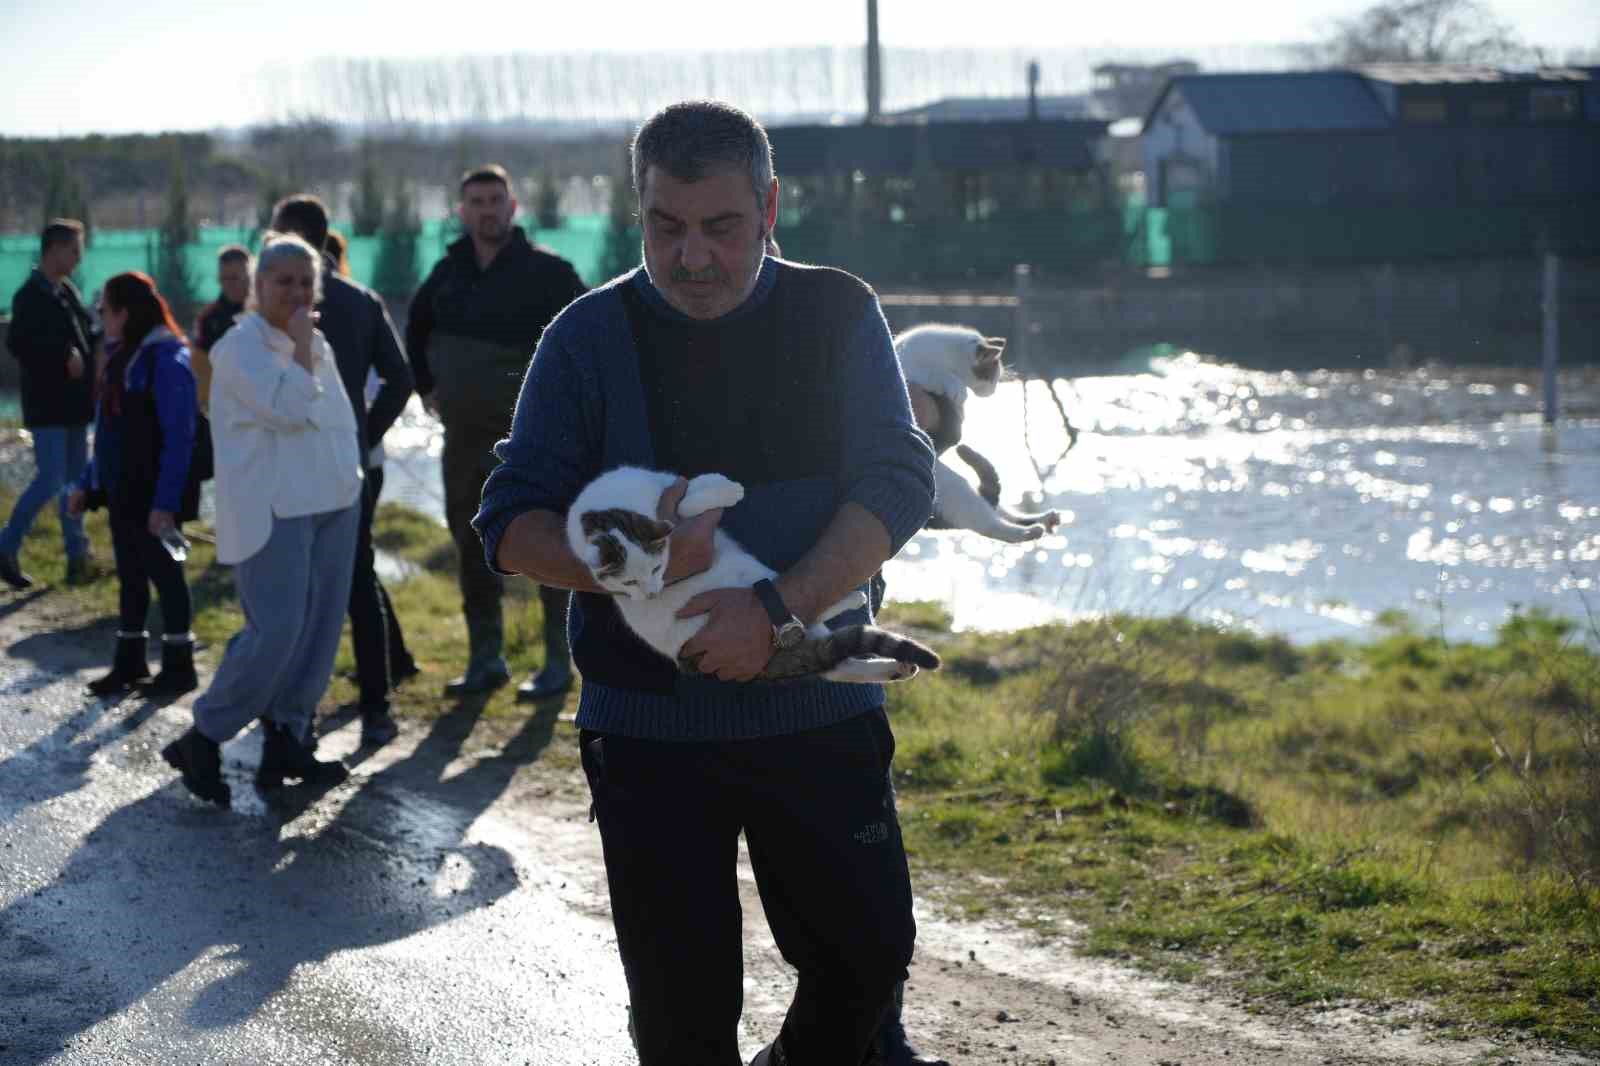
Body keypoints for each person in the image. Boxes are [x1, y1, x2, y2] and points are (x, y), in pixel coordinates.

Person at [475, 101, 936, 1065]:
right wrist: (642, 562)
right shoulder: (586, 338)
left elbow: (898, 480)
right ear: (636, 210)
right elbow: (510, 522)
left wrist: (773, 613)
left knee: (866, 964)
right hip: (649, 731)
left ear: (769, 208)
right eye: (665, 226)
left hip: (820, 708)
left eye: (721, 227)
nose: (692, 258)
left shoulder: (837, 311)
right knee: (681, 1021)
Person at [160, 233, 363, 808]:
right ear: (258, 286)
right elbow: (289, 409)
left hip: (333, 500)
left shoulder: (314, 341)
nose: (296, 292)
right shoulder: (237, 347)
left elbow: (337, 418)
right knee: (275, 633)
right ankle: (204, 737)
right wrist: (300, 347)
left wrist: (354, 480)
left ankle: (289, 739)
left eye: (306, 282)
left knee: (319, 631)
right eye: (283, 282)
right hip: (274, 510)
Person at [406, 164, 587, 699]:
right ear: (462, 212)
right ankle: (486, 660)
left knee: (550, 543)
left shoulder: (549, 272)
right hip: (463, 440)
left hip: (534, 445)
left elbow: (586, 341)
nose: (487, 211)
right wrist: (425, 386)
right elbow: (415, 330)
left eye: (495, 200)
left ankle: (558, 664)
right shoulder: (447, 272)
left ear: (513, 208)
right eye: (477, 202)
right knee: (469, 543)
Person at [270, 195, 414, 746]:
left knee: (300, 588)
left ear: (294, 236)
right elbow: (401, 379)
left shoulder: (278, 302)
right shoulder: (361, 299)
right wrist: (364, 435)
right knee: (356, 581)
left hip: (296, 466)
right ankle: (375, 708)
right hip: (349, 464)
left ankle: (296, 716)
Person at [67, 273, 203, 697]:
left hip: (155, 491)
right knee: (130, 576)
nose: (100, 317)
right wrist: (88, 483)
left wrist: (165, 503)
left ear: (124, 314)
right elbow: (107, 431)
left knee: (167, 575)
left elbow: (181, 437)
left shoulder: (168, 359)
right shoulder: (122, 356)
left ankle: (180, 667)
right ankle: (129, 662)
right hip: (123, 489)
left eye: (104, 310)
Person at [1, 219, 98, 589]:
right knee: (51, 478)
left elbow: (85, 337)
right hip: (48, 407)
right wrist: (61, 356)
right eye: (74, 250)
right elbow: (19, 346)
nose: (78, 258)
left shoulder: (67, 292)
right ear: (54, 249)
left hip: (74, 405)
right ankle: (6, 545)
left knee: (74, 482)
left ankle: (77, 556)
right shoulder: (29, 297)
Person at [190, 244, 252, 413]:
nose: (228, 284)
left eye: (235, 278)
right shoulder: (209, 319)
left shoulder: (265, 314)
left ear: (250, 276)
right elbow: (201, 370)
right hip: (226, 409)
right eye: (224, 278)